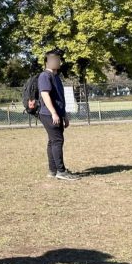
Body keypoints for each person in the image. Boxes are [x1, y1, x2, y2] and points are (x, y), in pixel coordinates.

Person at [38, 50, 79, 181]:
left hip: (57, 114)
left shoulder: (56, 77)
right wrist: (54, 113)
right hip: (49, 114)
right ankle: (61, 171)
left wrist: (64, 115)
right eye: (53, 59)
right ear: (46, 62)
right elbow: (45, 95)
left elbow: (60, 98)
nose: (57, 62)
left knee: (53, 141)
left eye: (58, 59)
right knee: (57, 141)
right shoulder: (45, 76)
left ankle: (53, 170)